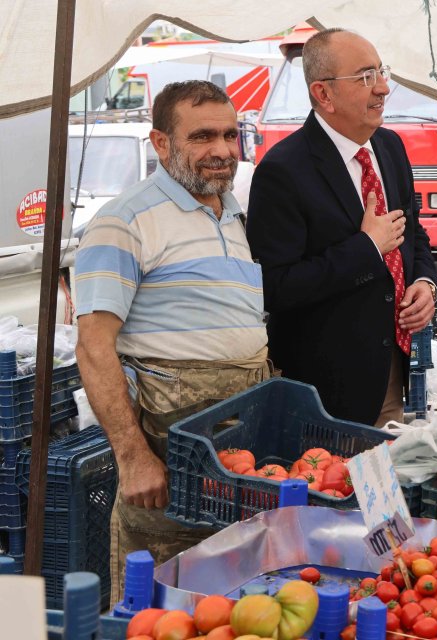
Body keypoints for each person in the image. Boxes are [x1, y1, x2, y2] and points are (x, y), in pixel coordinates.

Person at [74, 81, 272, 601]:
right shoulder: (123, 222)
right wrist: (134, 458)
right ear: (160, 144)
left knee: (230, 607)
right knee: (161, 609)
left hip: (236, 455)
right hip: (170, 458)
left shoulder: (231, 213)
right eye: (202, 136)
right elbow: (93, 348)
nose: (223, 150)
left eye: (230, 135)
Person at [247, 28, 437, 426]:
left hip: (395, 370)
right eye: (366, 77)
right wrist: (366, 248)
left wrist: (424, 282)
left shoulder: (390, 147)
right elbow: (273, 287)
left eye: (381, 73)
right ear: (324, 94)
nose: (383, 88)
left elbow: (413, 231)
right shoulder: (282, 170)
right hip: (325, 391)